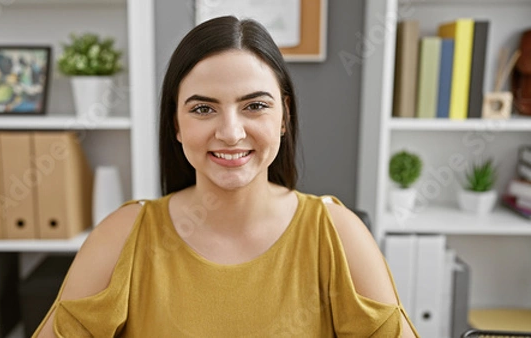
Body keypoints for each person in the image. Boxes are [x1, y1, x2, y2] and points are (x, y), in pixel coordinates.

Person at [34, 16, 419, 337]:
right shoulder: (122, 236)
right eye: (203, 109)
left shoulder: (337, 232)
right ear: (176, 124)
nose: (231, 132)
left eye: (254, 105)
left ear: (283, 117)